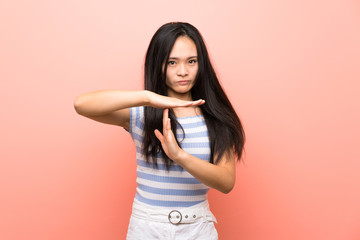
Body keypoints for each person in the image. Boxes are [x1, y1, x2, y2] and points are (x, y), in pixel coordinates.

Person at [74, 22, 245, 240]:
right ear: (158, 64)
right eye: (172, 62)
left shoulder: (214, 117)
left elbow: (226, 182)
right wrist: (147, 97)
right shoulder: (141, 114)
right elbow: (82, 104)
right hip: (147, 226)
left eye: (191, 61)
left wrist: (179, 156)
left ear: (201, 64)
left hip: (197, 227)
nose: (183, 71)